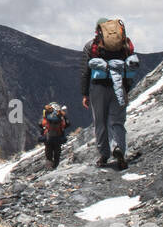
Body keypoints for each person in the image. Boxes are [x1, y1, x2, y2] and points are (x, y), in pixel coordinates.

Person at [80, 17, 138, 169]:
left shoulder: (91, 45)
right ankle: (118, 149)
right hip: (119, 87)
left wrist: (85, 93)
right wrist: (126, 88)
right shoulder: (125, 44)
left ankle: (104, 155)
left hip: (98, 88)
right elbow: (130, 66)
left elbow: (85, 71)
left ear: (98, 30)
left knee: (100, 121)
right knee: (117, 121)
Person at [39, 101, 69, 170]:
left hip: (48, 138)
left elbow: (41, 124)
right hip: (58, 138)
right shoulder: (60, 117)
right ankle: (55, 166)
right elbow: (66, 125)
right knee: (57, 154)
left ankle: (49, 167)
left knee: (48, 153)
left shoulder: (47, 117)